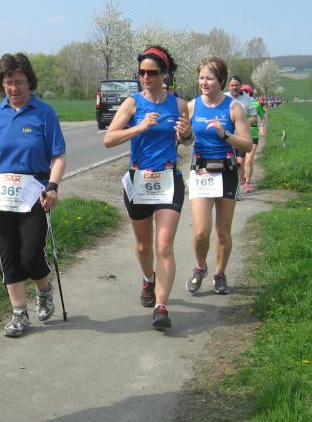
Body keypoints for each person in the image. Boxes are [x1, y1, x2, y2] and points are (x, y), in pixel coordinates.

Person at [0, 53, 66, 338]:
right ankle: (19, 313)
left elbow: (58, 156)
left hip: (34, 192)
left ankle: (44, 290)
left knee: (30, 253)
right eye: (8, 82)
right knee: (9, 253)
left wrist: (53, 186)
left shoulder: (44, 113)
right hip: (1, 194)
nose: (14, 88)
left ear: (29, 82)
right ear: (2, 84)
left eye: (19, 82)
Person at [104, 46, 192, 329]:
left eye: (152, 72)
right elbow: (109, 139)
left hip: (168, 179)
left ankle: (161, 306)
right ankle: (147, 279)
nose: (145, 77)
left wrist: (186, 135)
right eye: (141, 72)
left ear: (164, 74)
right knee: (143, 245)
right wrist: (139, 128)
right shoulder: (132, 104)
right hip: (139, 179)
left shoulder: (178, 105)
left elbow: (187, 140)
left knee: (164, 245)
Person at [185, 57, 252, 296]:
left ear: (221, 81)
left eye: (210, 78)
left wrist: (225, 135)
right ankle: (200, 267)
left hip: (227, 171)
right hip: (201, 171)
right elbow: (186, 141)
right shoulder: (192, 106)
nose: (204, 82)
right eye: (201, 77)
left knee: (223, 231)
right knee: (201, 231)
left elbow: (247, 144)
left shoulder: (233, 108)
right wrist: (183, 135)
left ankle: (220, 274)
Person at [225, 75, 253, 187]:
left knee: (240, 162)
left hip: (241, 137)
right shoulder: (223, 98)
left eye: (236, 85)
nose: (234, 87)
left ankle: (239, 182)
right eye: (232, 85)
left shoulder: (247, 99)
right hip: (227, 137)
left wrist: (242, 125)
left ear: (240, 86)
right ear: (228, 86)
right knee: (228, 162)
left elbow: (254, 117)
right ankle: (231, 182)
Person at [240, 84, 266, 192]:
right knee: (240, 161)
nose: (243, 94)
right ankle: (242, 177)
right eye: (242, 92)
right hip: (240, 135)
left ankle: (248, 183)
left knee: (249, 159)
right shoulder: (236, 104)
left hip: (253, 135)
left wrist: (261, 126)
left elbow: (263, 117)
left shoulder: (256, 104)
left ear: (250, 93)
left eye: (245, 92)